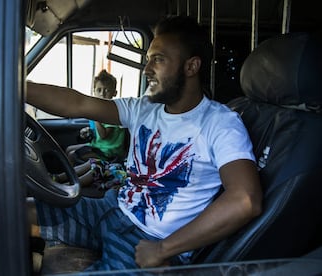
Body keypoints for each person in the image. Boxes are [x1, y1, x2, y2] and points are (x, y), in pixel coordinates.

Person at [26, 15, 262, 271]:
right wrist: (17, 89)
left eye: (158, 59)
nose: (146, 69)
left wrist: (163, 249)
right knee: (13, 211)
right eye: (148, 59)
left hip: (149, 240)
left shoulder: (220, 123)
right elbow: (78, 104)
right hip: (111, 208)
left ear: (191, 67)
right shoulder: (145, 108)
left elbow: (245, 199)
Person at [65, 70, 127, 165]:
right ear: (94, 91)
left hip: (109, 152)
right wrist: (88, 131)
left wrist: (95, 116)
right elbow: (97, 132)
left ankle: (68, 178)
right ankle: (66, 176)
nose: (102, 94)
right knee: (69, 149)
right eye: (99, 90)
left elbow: (103, 135)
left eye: (107, 90)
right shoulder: (99, 109)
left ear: (114, 93)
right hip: (98, 146)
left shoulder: (112, 111)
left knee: (73, 155)